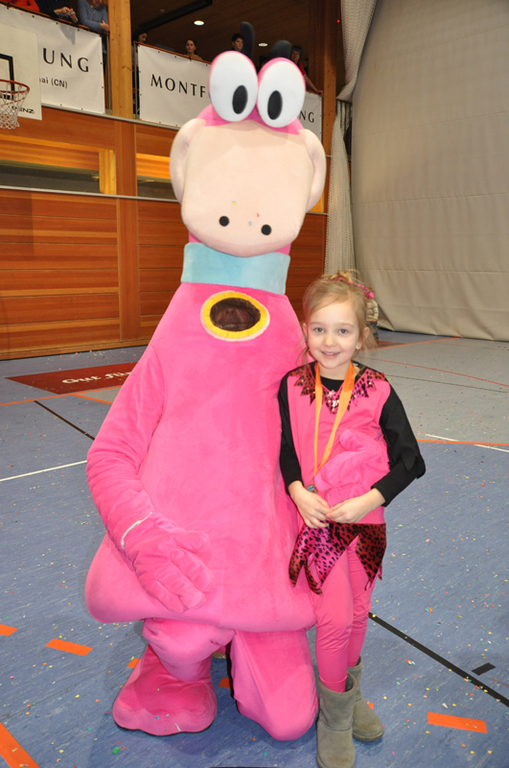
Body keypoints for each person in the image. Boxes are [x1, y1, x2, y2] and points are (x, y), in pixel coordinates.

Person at [278, 272, 425, 768]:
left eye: (343, 331)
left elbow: (411, 460)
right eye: (319, 329)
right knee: (335, 618)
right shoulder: (291, 385)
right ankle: (335, 720)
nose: (330, 341)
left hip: (366, 520)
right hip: (319, 524)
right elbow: (284, 449)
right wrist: (297, 491)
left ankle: (348, 694)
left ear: (361, 337)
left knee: (360, 612)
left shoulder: (378, 389)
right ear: (305, 330)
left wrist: (368, 501)